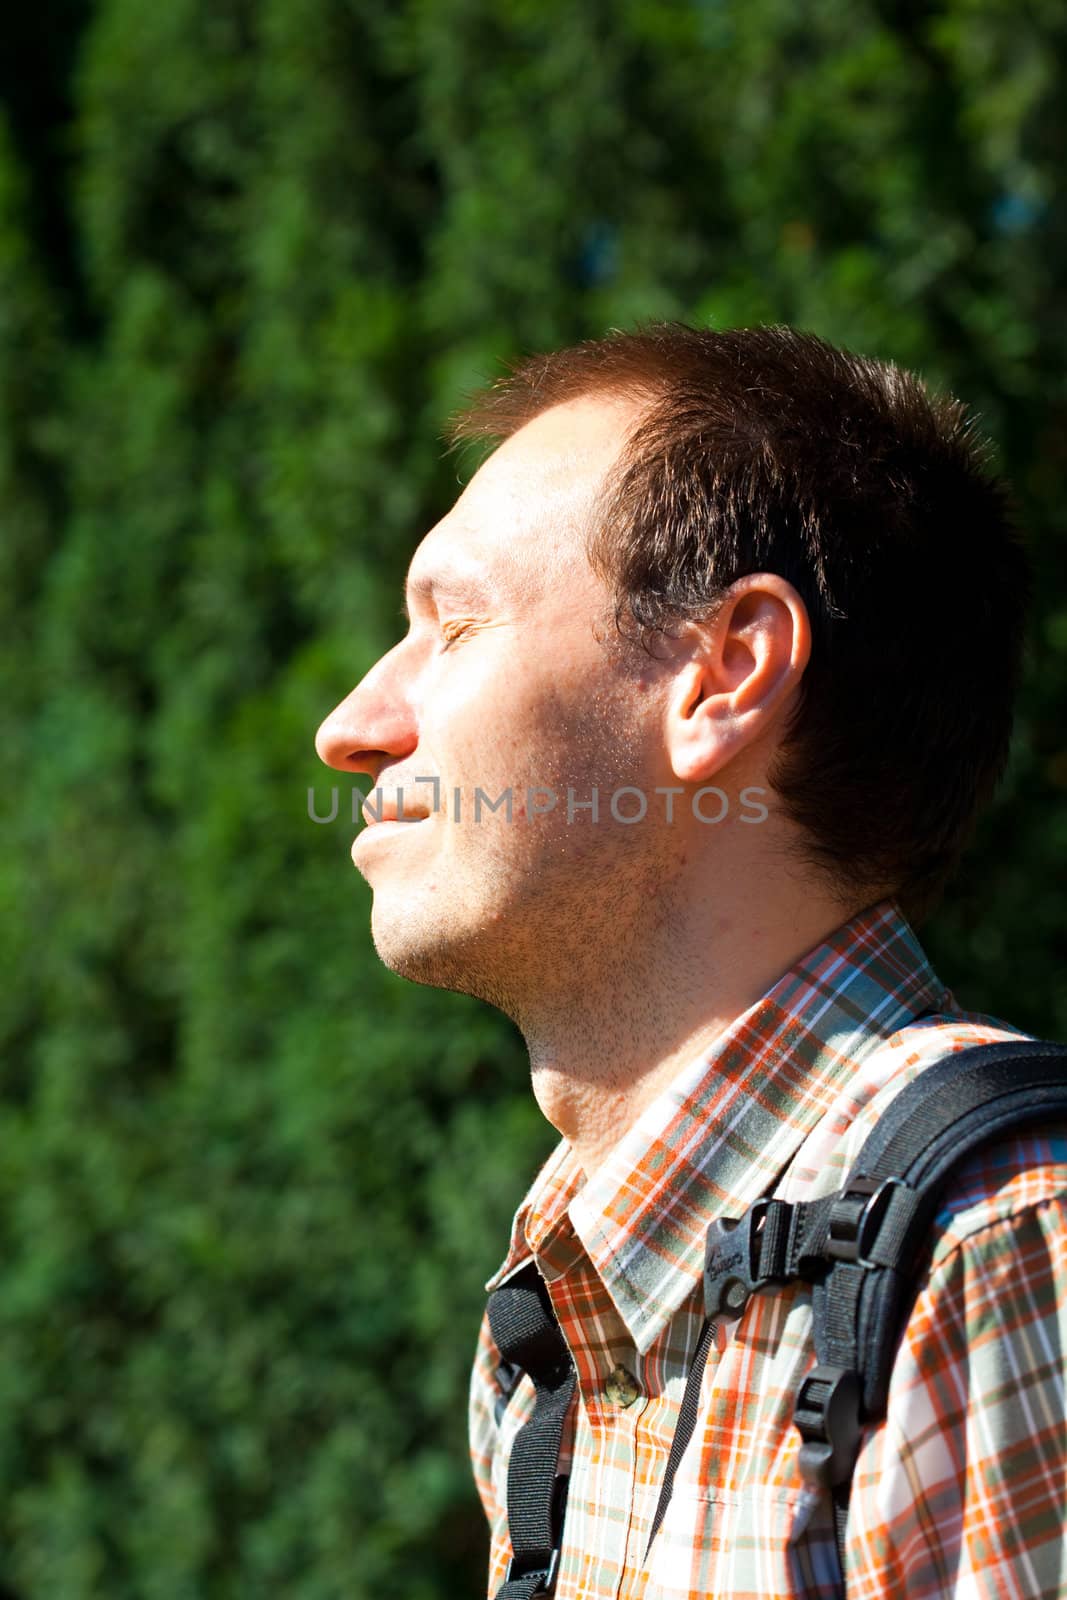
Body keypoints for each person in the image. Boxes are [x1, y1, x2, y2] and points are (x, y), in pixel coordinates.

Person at [314, 324, 1067, 1599]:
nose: (350, 728)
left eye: (453, 625)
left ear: (723, 674)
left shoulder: (995, 1243)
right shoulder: (554, 1319)